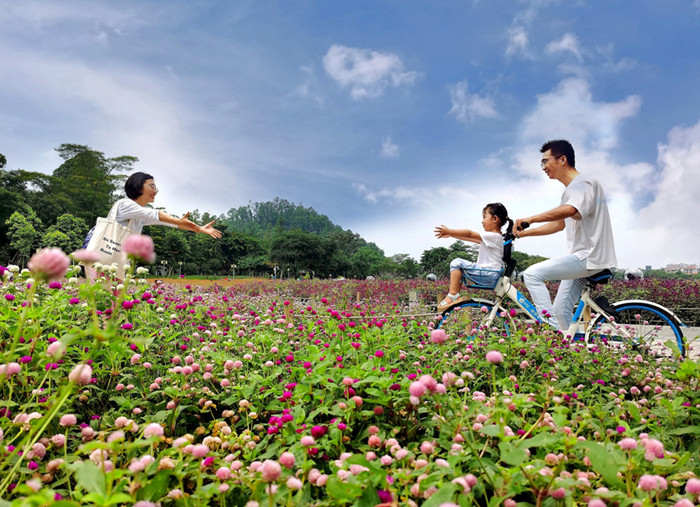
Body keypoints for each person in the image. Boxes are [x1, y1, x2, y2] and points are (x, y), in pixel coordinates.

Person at [514, 140, 616, 331]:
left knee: (531, 274)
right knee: (560, 311)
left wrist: (532, 218)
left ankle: (551, 331)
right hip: (580, 258)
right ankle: (573, 347)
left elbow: (569, 210)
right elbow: (559, 224)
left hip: (588, 257)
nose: (543, 167)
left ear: (562, 159)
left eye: (545, 161)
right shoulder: (570, 191)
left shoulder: (584, 184)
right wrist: (525, 234)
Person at [85, 172, 222, 278]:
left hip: (115, 261)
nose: (155, 191)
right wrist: (178, 221)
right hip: (100, 259)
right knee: (98, 300)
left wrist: (200, 229)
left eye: (155, 187)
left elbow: (171, 223)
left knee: (113, 302)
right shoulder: (124, 204)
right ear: (138, 186)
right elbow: (156, 214)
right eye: (151, 186)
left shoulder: (140, 216)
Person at [434, 203, 513, 311]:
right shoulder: (495, 237)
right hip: (491, 274)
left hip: (488, 273)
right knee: (460, 268)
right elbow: (470, 238)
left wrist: (450, 231)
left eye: (485, 217)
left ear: (495, 219)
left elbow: (470, 234)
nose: (482, 221)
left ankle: (453, 295)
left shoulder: (493, 236)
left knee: (457, 263)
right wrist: (451, 235)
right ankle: (455, 295)